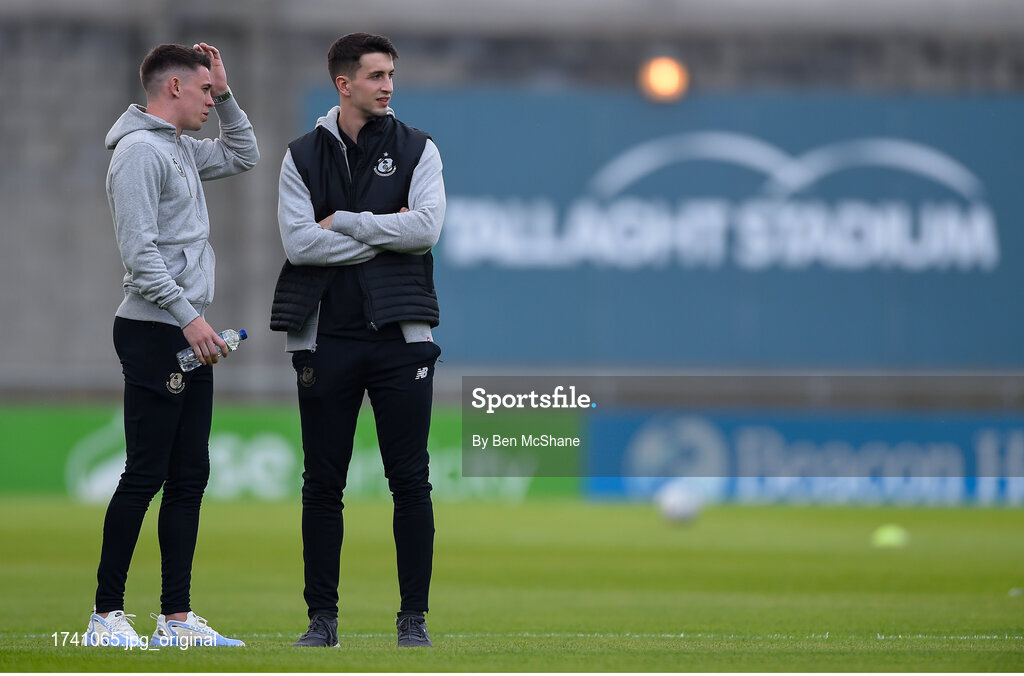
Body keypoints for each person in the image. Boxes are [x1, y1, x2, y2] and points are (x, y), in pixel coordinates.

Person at [271, 32, 445, 649]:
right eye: (376, 75)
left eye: (391, 74)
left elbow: (425, 230)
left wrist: (346, 221)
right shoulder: (300, 156)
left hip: (401, 340)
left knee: (411, 481)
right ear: (344, 84)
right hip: (326, 341)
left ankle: (413, 620)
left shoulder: (419, 149)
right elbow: (299, 245)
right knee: (322, 484)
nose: (388, 85)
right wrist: (385, 231)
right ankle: (323, 621)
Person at [85, 42, 259, 648]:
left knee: (189, 476)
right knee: (146, 473)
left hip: (186, 329)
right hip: (158, 331)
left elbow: (245, 154)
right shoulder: (138, 153)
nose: (213, 101)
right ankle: (106, 616)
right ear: (175, 88)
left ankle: (176, 620)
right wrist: (190, 319)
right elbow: (140, 258)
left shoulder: (181, 148)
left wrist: (231, 92)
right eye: (208, 91)